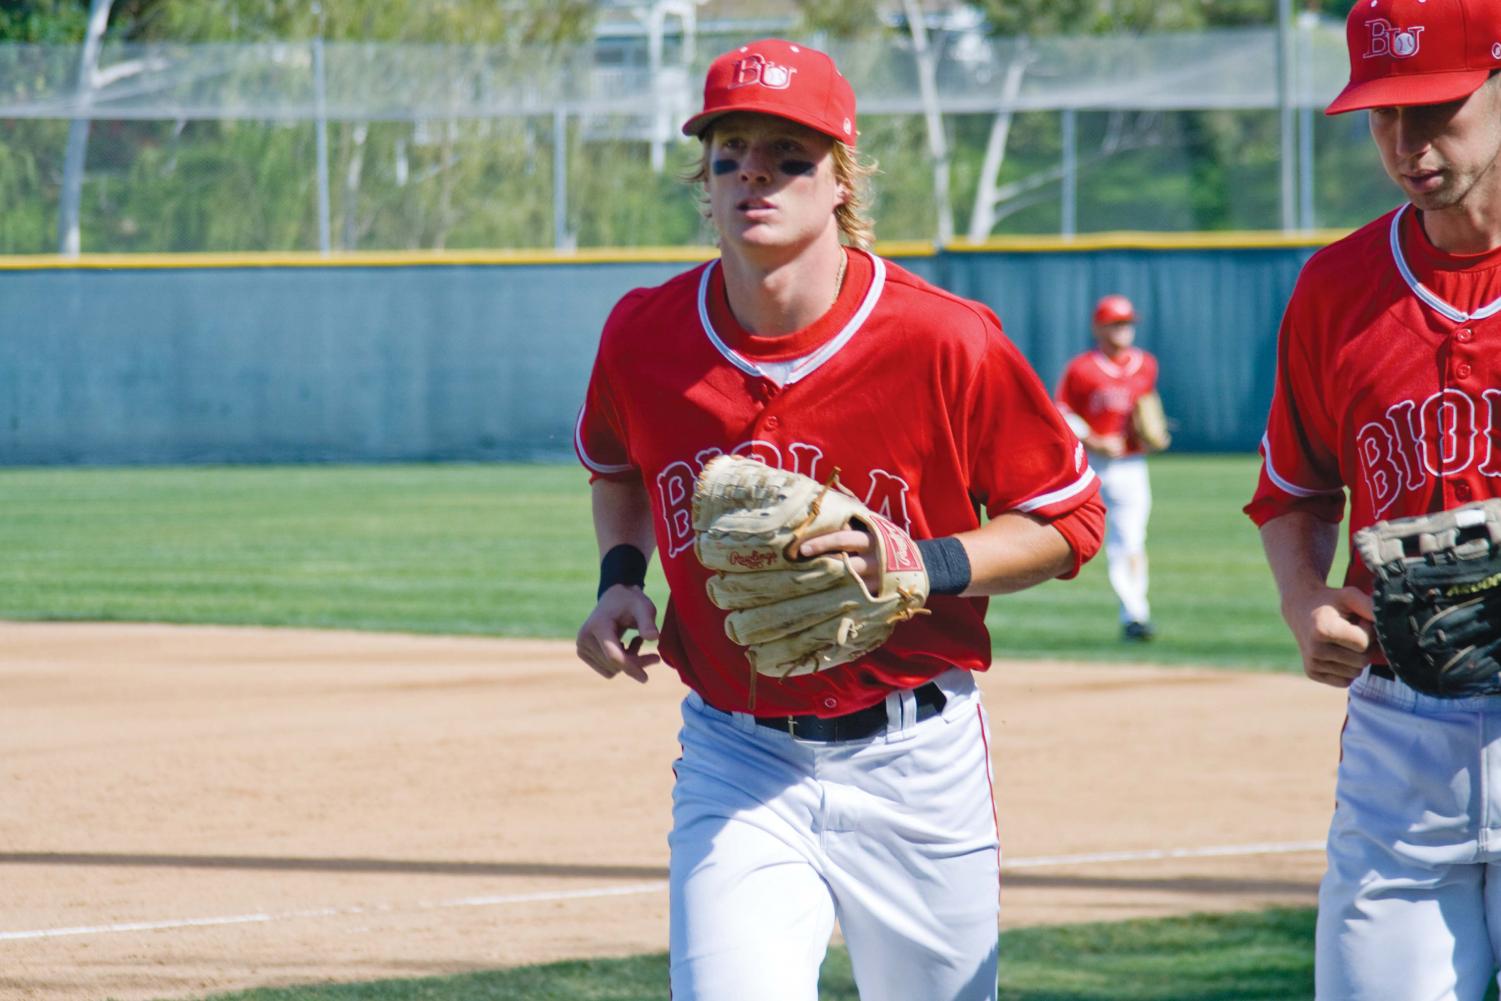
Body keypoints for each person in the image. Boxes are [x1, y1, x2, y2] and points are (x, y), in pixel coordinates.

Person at [573, 38, 1105, 1001]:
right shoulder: (644, 333)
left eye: (788, 154)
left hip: (917, 759)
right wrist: (620, 579)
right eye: (730, 151)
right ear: (705, 175)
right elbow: (617, 468)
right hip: (736, 751)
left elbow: (1066, 522)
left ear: (840, 178)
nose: (754, 174)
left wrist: (921, 561)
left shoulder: (944, 337)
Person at [1244, 0, 1501, 996]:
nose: (1407, 143)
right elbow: (1293, 489)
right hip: (1403, 731)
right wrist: (1301, 592)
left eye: (1435, 106)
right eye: (1383, 113)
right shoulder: (1336, 285)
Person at [1056, 293, 1162, 641]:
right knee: (1085, 539)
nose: (1124, 329)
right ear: (1099, 327)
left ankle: (1135, 613)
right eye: (1116, 323)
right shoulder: (1082, 369)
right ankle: (1132, 612)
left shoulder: (1146, 364)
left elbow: (1146, 406)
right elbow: (1063, 412)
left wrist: (1151, 433)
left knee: (1130, 541)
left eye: (1128, 322)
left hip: (1132, 465)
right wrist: (1092, 439)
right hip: (1095, 465)